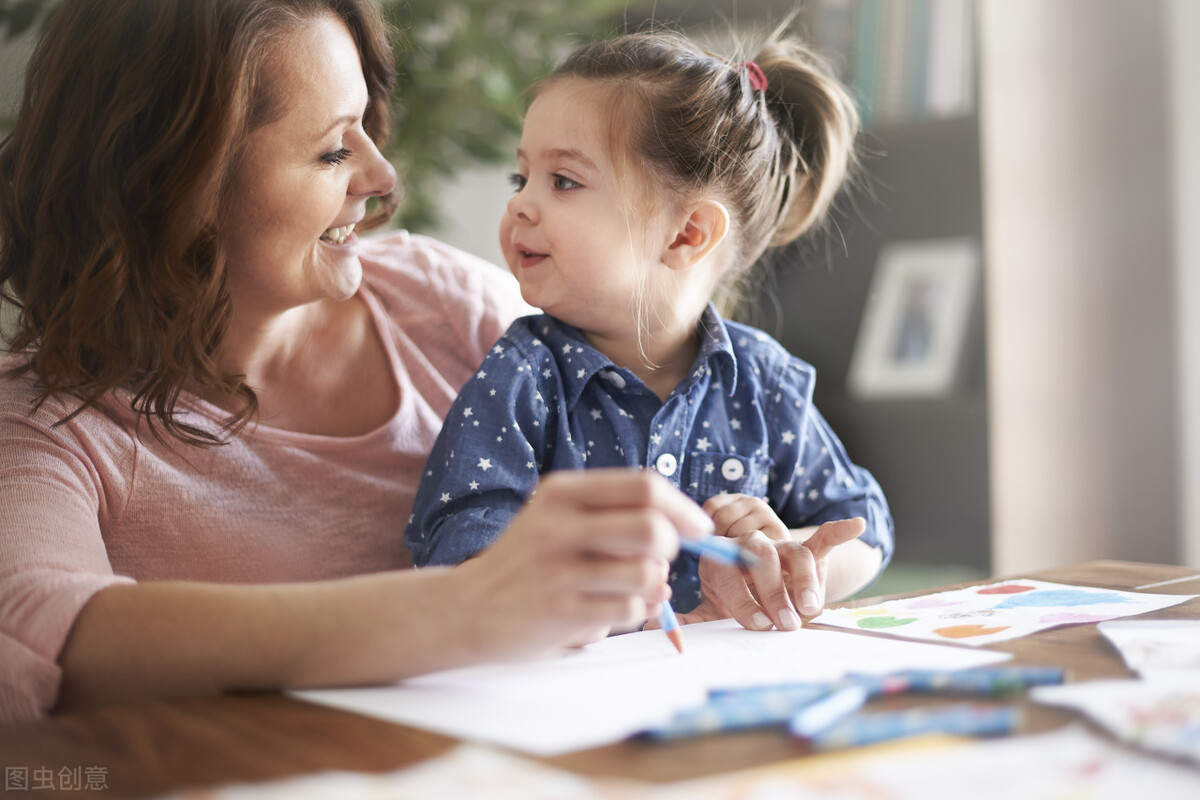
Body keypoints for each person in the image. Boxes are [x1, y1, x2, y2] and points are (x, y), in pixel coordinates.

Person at [0, 0, 718, 724]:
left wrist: (741, 535)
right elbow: (37, 631)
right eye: (334, 151)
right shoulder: (45, 423)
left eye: (365, 127)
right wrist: (468, 606)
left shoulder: (448, 308)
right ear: (174, 183)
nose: (381, 176)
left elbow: (671, 452)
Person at [405, 28, 893, 634]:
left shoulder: (764, 382)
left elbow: (864, 527)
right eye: (520, 178)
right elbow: (458, 549)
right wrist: (562, 586)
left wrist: (789, 559)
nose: (520, 205)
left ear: (688, 235)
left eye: (563, 181)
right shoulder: (522, 374)